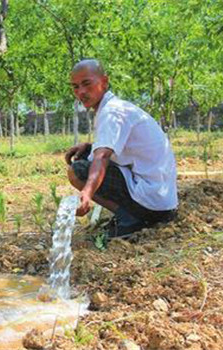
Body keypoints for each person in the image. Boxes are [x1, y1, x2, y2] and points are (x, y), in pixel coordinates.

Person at [65, 59, 178, 241]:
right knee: (87, 156)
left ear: (104, 81)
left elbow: (102, 156)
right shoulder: (114, 108)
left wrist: (86, 193)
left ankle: (131, 218)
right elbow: (108, 148)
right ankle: (132, 214)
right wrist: (89, 147)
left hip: (152, 202)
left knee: (77, 171)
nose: (81, 92)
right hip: (162, 199)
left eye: (87, 83)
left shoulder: (112, 112)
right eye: (75, 87)